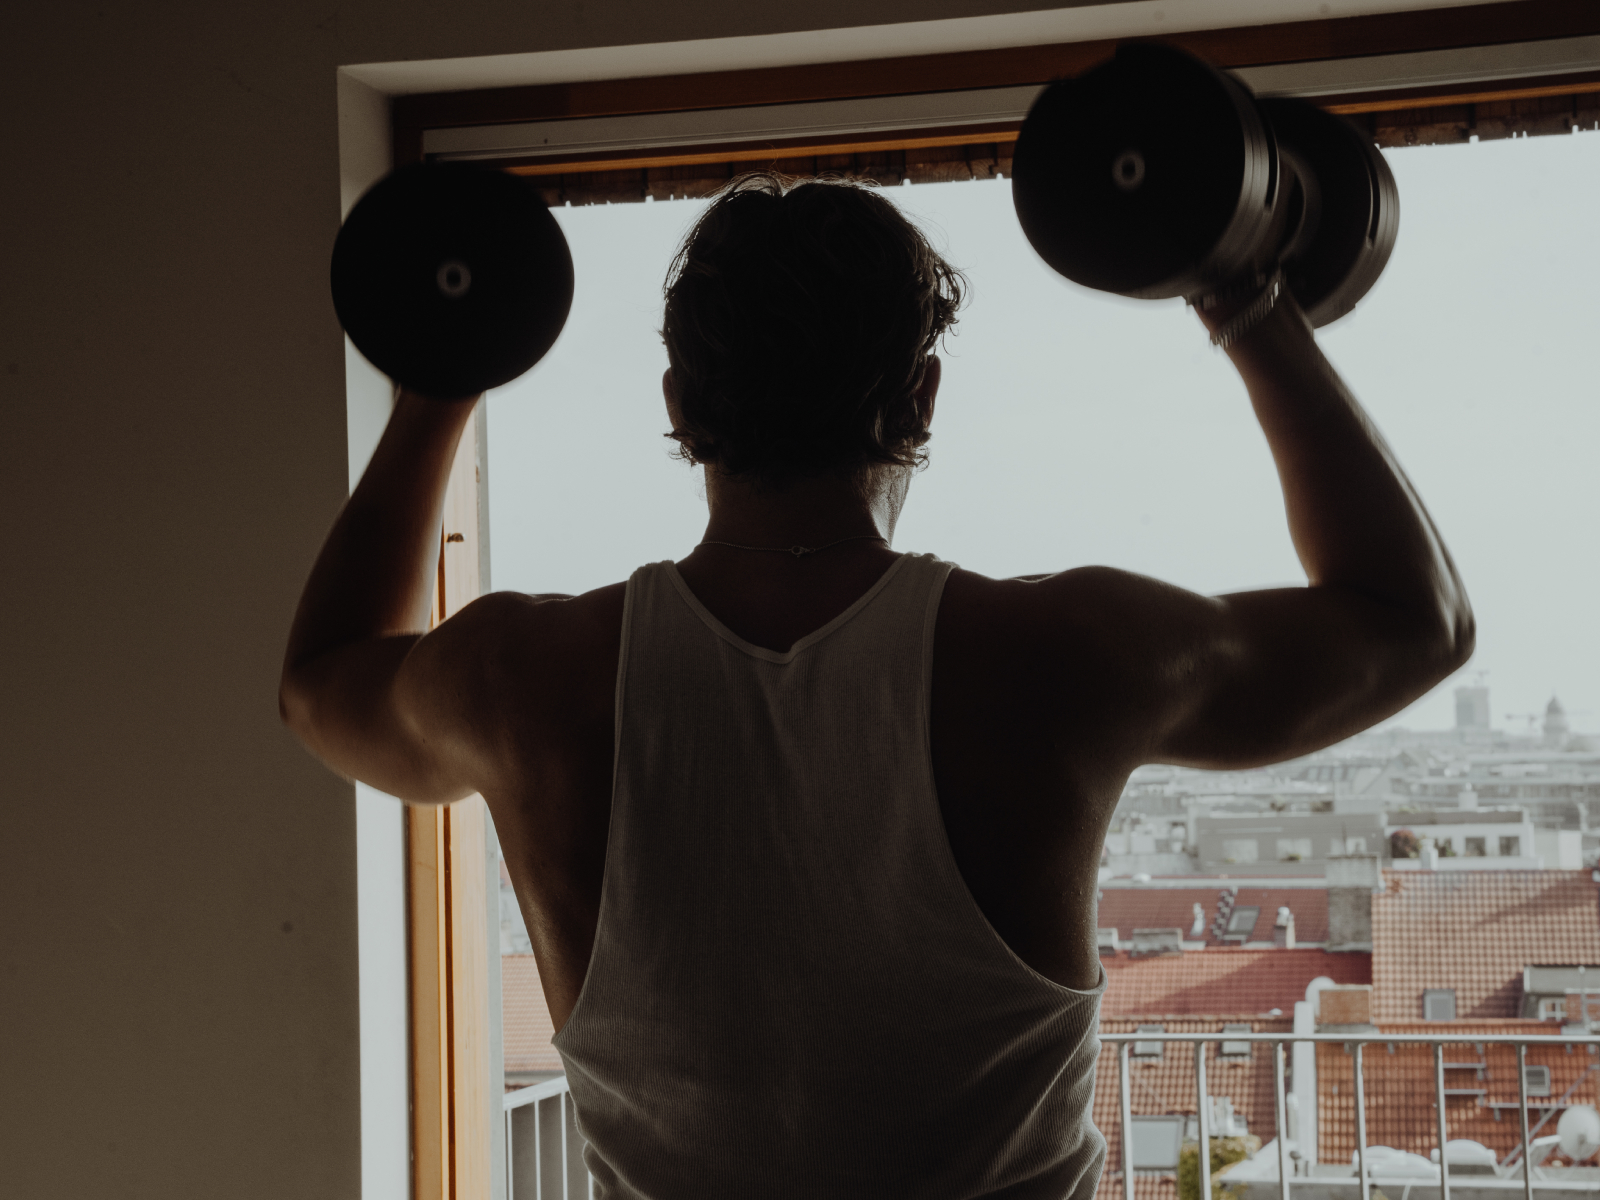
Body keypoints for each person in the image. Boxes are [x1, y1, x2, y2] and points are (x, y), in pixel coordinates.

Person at [281, 173, 1472, 1198]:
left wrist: (444, 382)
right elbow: (1412, 621)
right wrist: (1243, 298)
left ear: (679, 407)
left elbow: (320, 680)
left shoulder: (520, 680)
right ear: (921, 399)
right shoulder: (1066, 654)